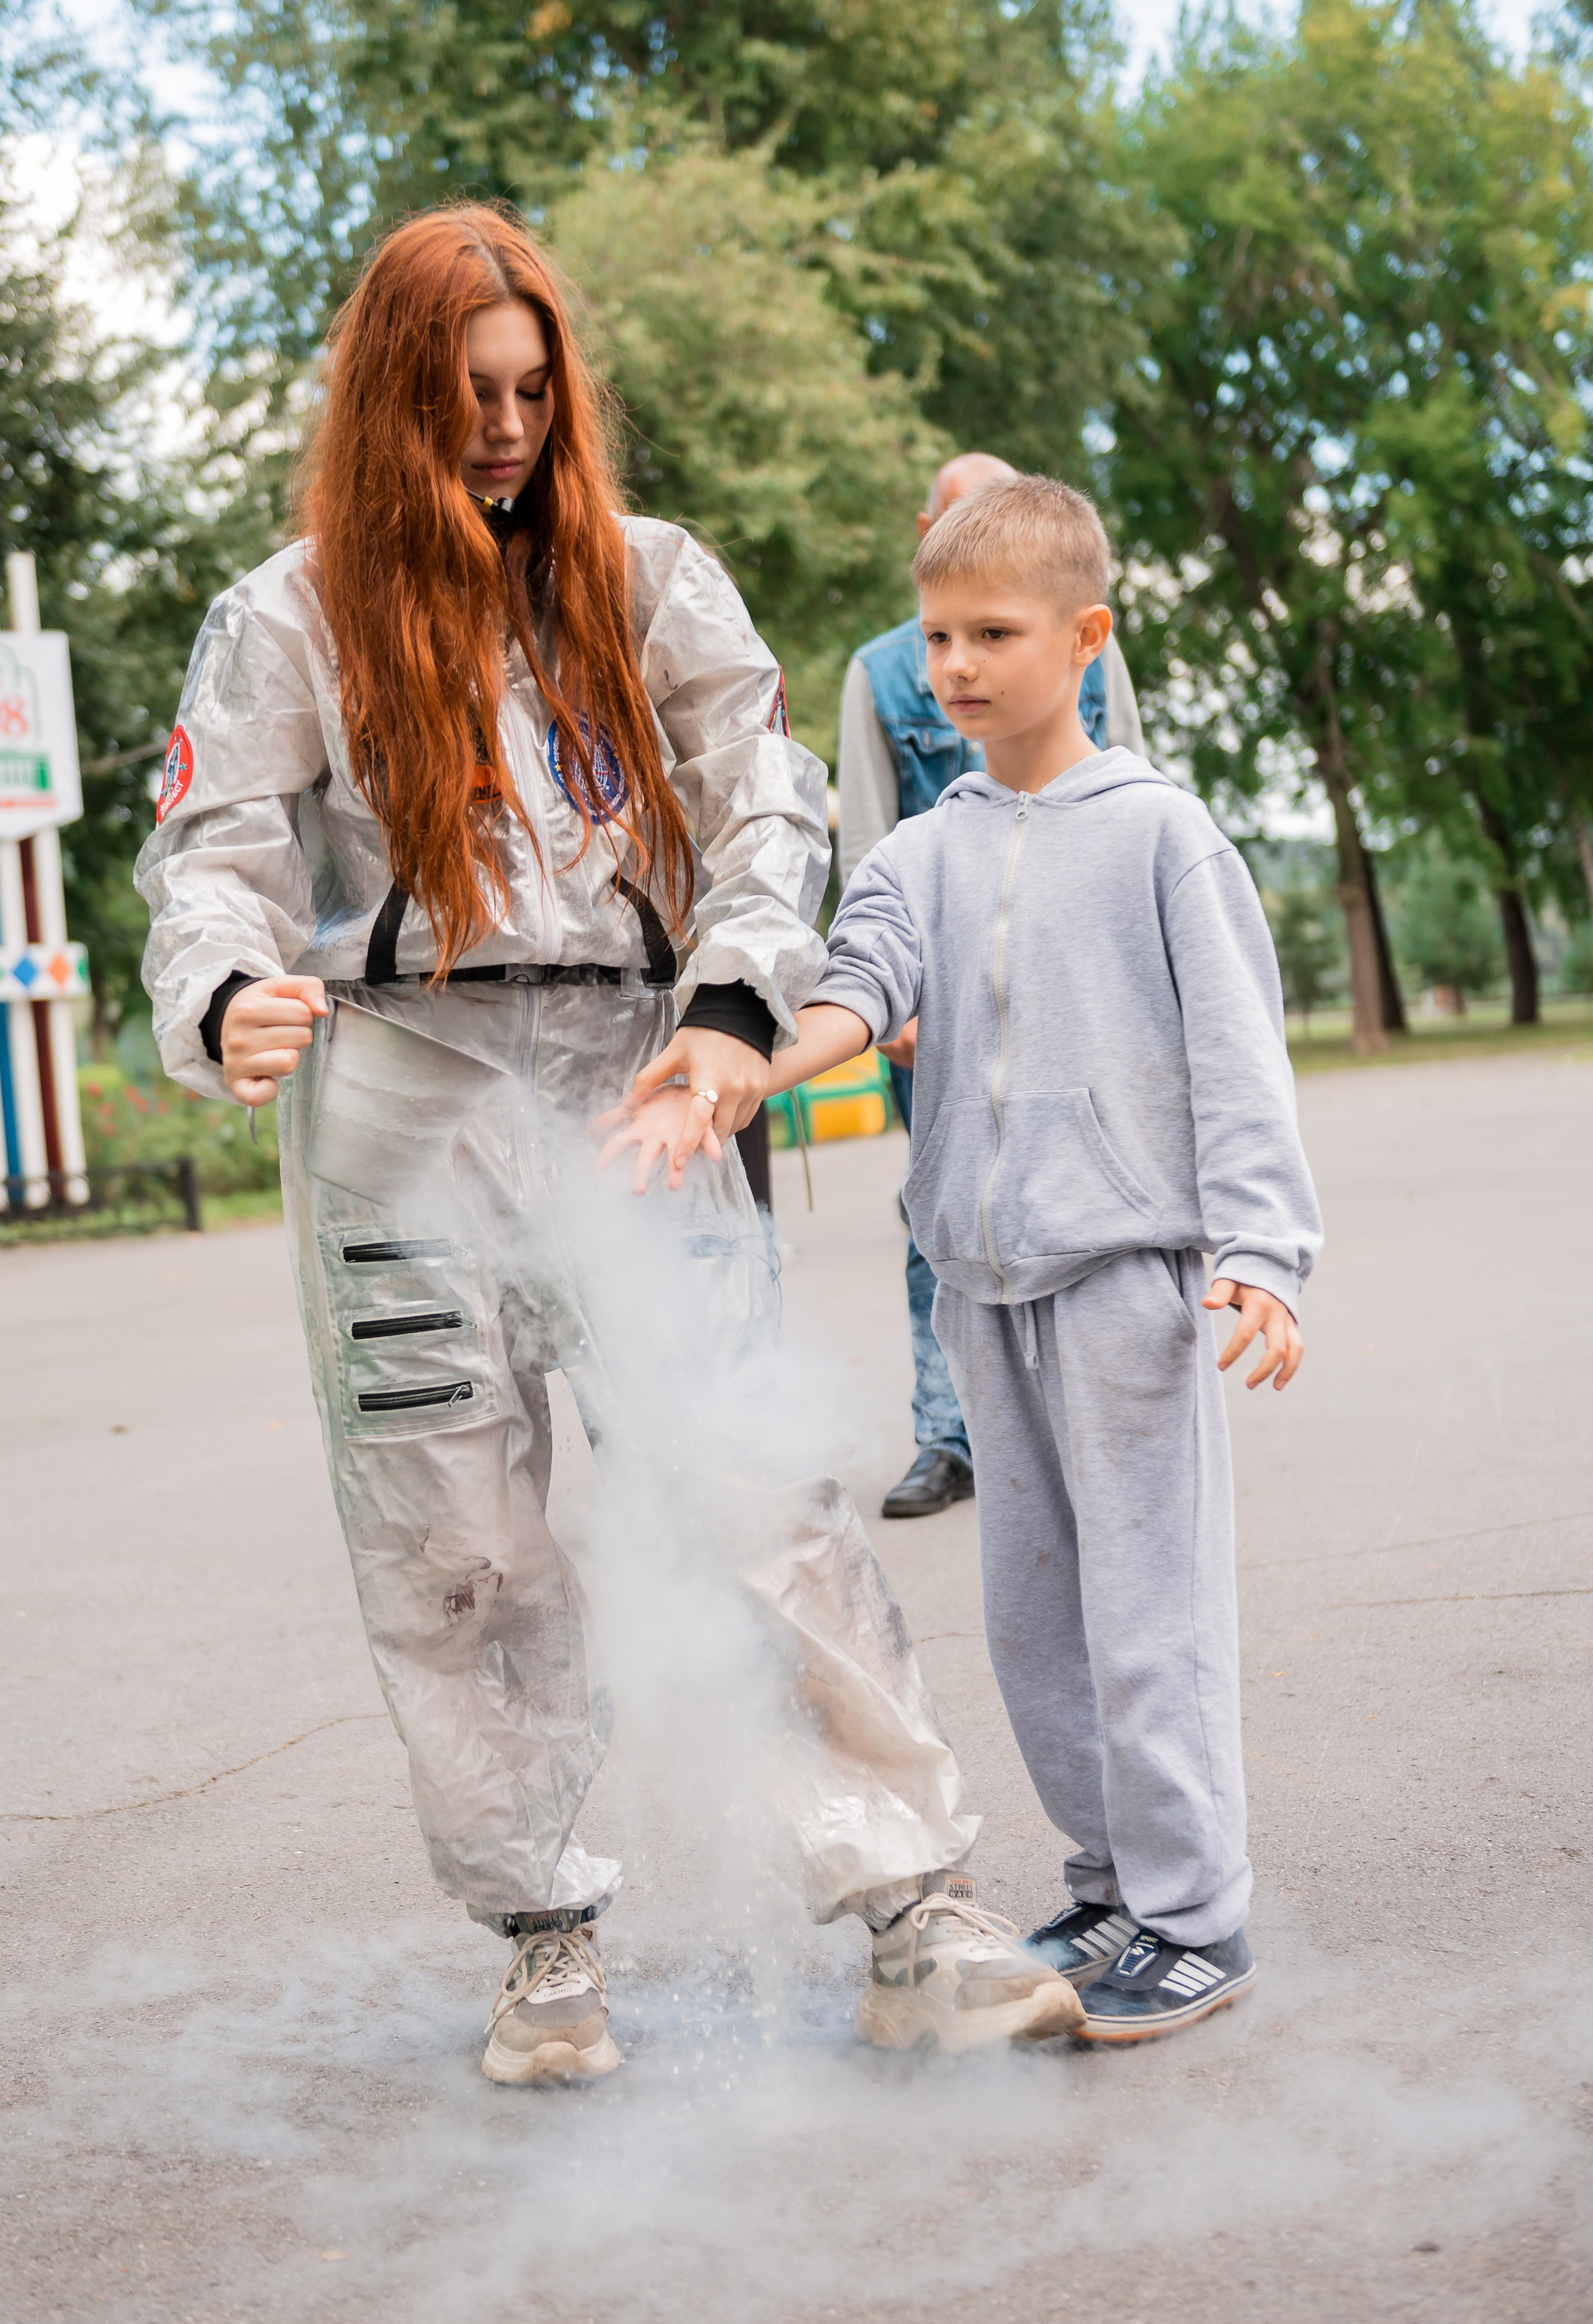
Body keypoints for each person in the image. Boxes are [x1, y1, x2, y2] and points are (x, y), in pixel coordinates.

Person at [137, 204, 1082, 2081]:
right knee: (450, 1534)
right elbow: (209, 854)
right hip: (401, 1097)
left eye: (529, 389)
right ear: (396, 398)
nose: (503, 427)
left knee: (761, 1491)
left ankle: (912, 1907)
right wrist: (225, 988)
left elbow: (765, 805)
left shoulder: (651, 584)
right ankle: (543, 1931)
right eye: (467, 393)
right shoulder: (288, 615)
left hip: (641, 1078)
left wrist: (736, 1010)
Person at [613, 474, 1320, 2042]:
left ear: (1084, 637)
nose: (954, 666)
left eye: (992, 632)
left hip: (1127, 1286)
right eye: (934, 634)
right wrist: (734, 1064)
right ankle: (1107, 1882)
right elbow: (854, 993)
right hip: (983, 1291)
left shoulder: (1158, 834)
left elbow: (1235, 1057)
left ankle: (1195, 1915)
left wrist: (1263, 1251)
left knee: (1149, 1617)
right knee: (1032, 1620)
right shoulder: (924, 849)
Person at [837, 452, 1147, 1521]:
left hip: (1071, 987)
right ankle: (949, 1431)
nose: (961, 660)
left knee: (1090, 1189)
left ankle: (1090, 1406)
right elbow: (871, 835)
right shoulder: (882, 672)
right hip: (941, 1006)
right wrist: (893, 995)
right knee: (947, 1209)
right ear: (925, 534)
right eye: (943, 629)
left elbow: (1134, 784)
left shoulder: (1083, 647)